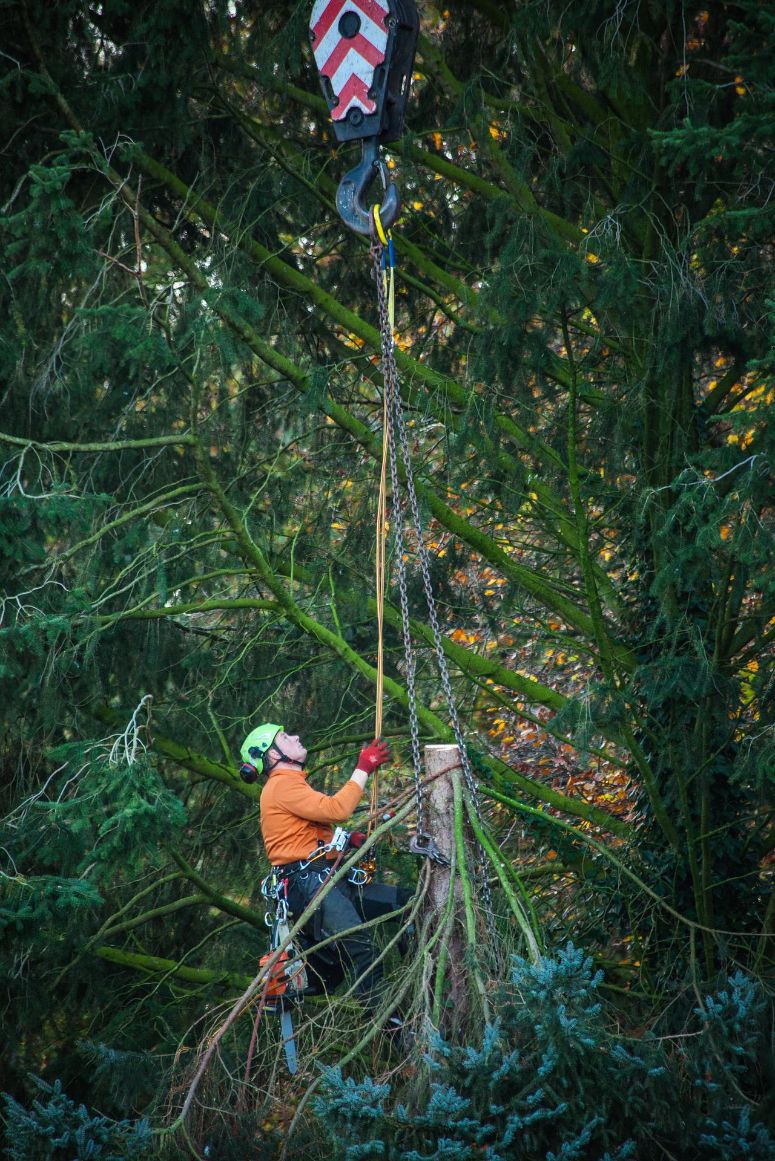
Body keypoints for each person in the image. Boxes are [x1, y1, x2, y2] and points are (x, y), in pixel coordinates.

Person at [239, 723, 412, 1012]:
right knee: (362, 952)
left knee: (407, 903)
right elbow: (336, 810)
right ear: (271, 756)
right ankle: (392, 1029)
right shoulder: (281, 785)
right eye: (284, 738)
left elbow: (304, 834)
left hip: (325, 880)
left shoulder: (289, 785)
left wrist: (342, 841)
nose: (295, 736)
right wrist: (363, 768)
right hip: (311, 885)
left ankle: (419, 979)